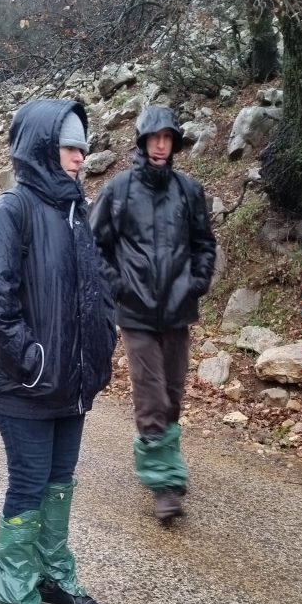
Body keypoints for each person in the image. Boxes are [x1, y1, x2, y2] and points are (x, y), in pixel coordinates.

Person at [0, 99, 116, 604]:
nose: (80, 158)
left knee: (60, 483)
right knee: (29, 485)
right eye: (69, 147)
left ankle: (52, 579)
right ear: (40, 148)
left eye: (83, 148)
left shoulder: (77, 211)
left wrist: (101, 347)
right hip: (25, 386)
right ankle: (15, 602)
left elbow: (98, 289)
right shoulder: (12, 210)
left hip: (70, 383)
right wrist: (28, 361)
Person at [89, 105, 216, 521]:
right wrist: (118, 286)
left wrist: (196, 282)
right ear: (142, 142)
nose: (161, 146)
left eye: (168, 139)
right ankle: (162, 483)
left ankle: (166, 462)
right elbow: (95, 245)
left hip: (178, 310)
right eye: (154, 138)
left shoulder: (188, 190)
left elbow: (204, 243)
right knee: (151, 395)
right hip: (136, 313)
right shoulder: (118, 190)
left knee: (173, 395)